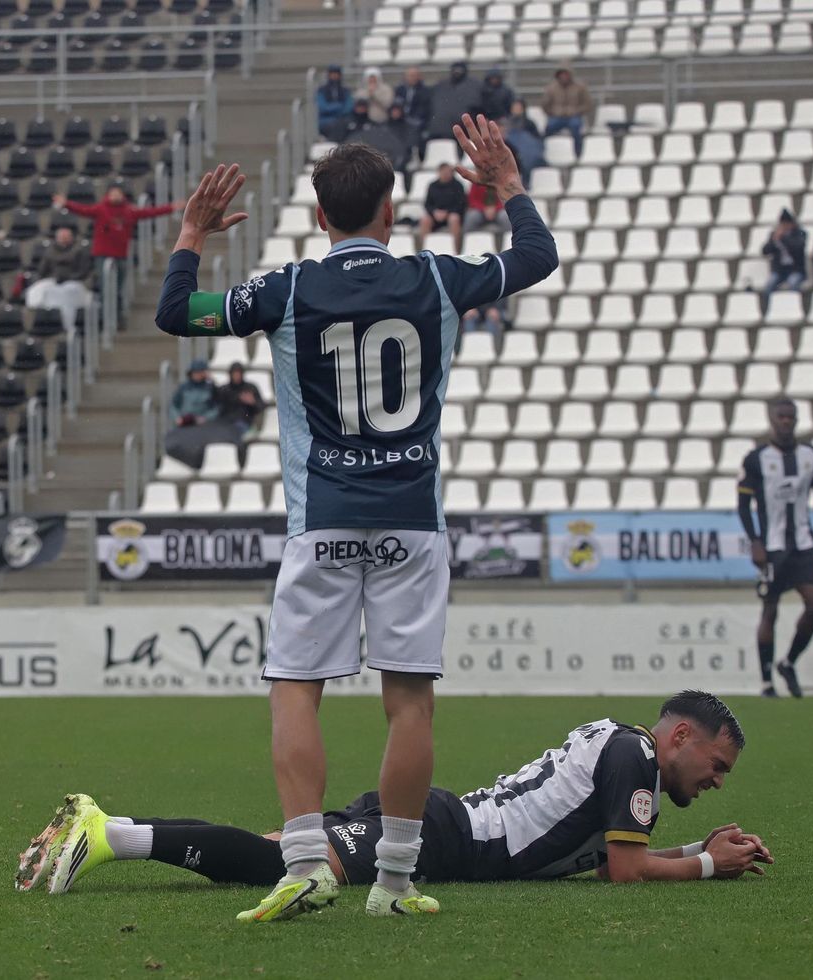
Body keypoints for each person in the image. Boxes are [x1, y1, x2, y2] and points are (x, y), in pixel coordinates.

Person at [152, 118, 558, 920]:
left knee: (296, 689)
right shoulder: (436, 278)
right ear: (390, 207)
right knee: (409, 700)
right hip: (410, 520)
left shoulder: (287, 289)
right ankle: (397, 884)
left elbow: (174, 312)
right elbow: (538, 259)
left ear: (317, 212)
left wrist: (194, 232)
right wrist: (506, 184)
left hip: (324, 517)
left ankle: (304, 862)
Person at [19, 691, 770, 896]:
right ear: (679, 738)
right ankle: (109, 832)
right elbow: (625, 872)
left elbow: (614, 856)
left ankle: (114, 833)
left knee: (280, 853)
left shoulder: (624, 744)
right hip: (446, 837)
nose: (715, 780)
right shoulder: (634, 759)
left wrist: (696, 847)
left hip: (445, 822)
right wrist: (707, 866)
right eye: (717, 763)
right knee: (282, 867)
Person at [738, 398, 813, 700]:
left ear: (796, 420)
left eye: (790, 417)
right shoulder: (756, 459)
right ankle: (767, 681)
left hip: (804, 544)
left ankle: (788, 662)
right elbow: (744, 504)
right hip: (773, 547)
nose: (786, 421)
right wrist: (755, 540)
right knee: (770, 610)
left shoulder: (811, 455)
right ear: (772, 419)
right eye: (781, 416)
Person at [52, 184, 181, 295]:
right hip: (103, 254)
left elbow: (150, 212)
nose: (115, 196)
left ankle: (117, 316)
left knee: (118, 287)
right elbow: (82, 210)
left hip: (120, 254)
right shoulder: (101, 209)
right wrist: (66, 204)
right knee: (105, 286)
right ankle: (104, 316)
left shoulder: (129, 210)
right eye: (112, 194)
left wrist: (171, 208)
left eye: (117, 193)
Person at [26, 225, 95, 332]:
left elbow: (83, 271)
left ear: (71, 238)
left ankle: (68, 327)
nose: (63, 239)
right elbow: (42, 270)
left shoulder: (79, 251)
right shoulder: (50, 251)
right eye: (61, 237)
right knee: (36, 290)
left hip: (73, 282)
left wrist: (68, 278)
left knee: (67, 294)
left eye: (66, 237)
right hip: (53, 281)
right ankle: (36, 317)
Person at [759, 209, 807, 311]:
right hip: (779, 270)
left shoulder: (800, 234)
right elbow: (765, 251)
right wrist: (773, 241)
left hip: (795, 269)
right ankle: (768, 310)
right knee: (769, 286)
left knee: (792, 284)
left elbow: (798, 248)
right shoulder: (774, 235)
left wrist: (784, 238)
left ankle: (793, 309)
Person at [425, 62, 483, 140]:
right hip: (441, 130)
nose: (457, 73)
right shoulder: (440, 86)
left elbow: (478, 107)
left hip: (464, 130)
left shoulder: (475, 86)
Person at [541, 67, 592, 155]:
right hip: (557, 116)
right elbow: (545, 104)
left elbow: (587, 104)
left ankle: (577, 152)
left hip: (574, 116)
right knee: (549, 128)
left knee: (576, 127)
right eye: (562, 74)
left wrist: (577, 111)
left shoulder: (580, 87)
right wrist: (552, 112)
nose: (564, 77)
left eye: (566, 74)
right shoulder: (551, 88)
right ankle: (546, 151)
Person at [418, 162, 467, 250]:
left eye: (448, 172)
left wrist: (447, 212)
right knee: (425, 220)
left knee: (454, 218)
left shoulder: (458, 185)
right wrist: (434, 212)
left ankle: (456, 250)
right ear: (439, 172)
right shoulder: (432, 185)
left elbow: (461, 204)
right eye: (444, 172)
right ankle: (424, 250)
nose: (446, 174)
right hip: (435, 215)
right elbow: (427, 204)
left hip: (451, 214)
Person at [215, 362, 265, 435]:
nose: (236, 376)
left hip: (245, 422)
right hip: (226, 422)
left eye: (238, 373)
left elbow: (261, 407)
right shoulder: (223, 390)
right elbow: (217, 407)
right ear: (230, 374)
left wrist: (253, 402)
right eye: (234, 373)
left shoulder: (250, 388)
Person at [169, 359, 217, 427]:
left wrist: (205, 418)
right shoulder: (183, 388)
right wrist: (177, 418)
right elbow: (173, 405)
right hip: (184, 424)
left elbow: (216, 408)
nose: (197, 375)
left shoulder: (210, 388)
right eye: (195, 372)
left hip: (203, 426)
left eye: (200, 372)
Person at [394, 66, 431, 145]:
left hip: (418, 123)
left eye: (414, 75)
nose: (412, 78)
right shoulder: (400, 89)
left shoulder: (425, 91)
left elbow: (425, 108)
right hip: (401, 122)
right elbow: (396, 105)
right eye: (410, 75)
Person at [315, 64, 351, 136]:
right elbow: (323, 107)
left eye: (336, 74)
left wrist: (335, 110)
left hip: (342, 119)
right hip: (326, 120)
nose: (334, 76)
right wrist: (338, 106)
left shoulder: (345, 90)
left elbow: (349, 107)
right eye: (332, 74)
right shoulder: (321, 90)